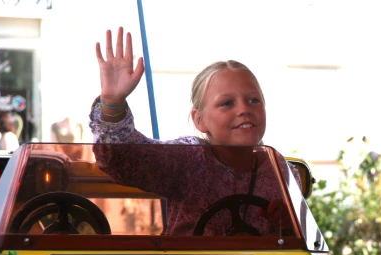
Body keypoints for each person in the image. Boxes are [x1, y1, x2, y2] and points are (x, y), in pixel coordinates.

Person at [90, 27, 299, 236]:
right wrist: (113, 104)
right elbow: (123, 160)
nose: (244, 109)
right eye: (227, 103)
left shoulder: (282, 173)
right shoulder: (187, 159)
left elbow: (301, 245)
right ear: (199, 120)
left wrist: (289, 224)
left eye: (254, 100)